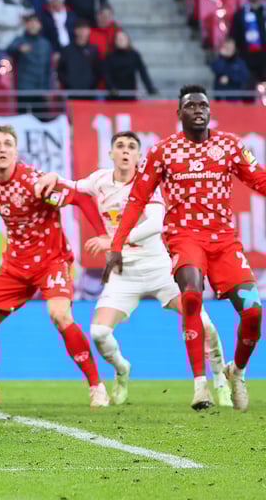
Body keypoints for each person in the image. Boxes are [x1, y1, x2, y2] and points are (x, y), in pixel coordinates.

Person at [34, 131, 231, 408]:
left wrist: (115, 240)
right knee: (99, 333)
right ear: (111, 153)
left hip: (159, 266)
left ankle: (220, 380)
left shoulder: (147, 183)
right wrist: (54, 177)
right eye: (120, 146)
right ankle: (122, 369)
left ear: (139, 156)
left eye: (131, 147)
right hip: (124, 272)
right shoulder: (100, 180)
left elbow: (156, 223)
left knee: (204, 323)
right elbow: (74, 186)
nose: (125, 151)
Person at [103, 85, 266, 412]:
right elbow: (137, 199)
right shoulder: (163, 151)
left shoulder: (230, 146)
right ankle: (200, 384)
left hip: (224, 241)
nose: (198, 110)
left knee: (253, 310)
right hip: (184, 237)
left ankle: (237, 372)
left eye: (203, 105)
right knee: (191, 295)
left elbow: (259, 180)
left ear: (209, 111)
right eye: (191, 106)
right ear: (179, 114)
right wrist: (116, 244)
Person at [0, 124, 109, 408]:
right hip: (15, 266)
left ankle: (96, 386)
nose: (2, 149)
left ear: (16, 151)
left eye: (8, 144)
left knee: (60, 316)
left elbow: (81, 198)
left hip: (51, 262)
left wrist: (102, 234)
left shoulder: (35, 183)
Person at [104, 30, 157, 98]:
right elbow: (106, 74)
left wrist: (149, 88)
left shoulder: (134, 55)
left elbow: (143, 72)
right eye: (118, 39)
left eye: (123, 39)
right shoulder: (110, 56)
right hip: (114, 95)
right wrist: (111, 87)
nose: (121, 41)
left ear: (127, 40)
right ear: (115, 41)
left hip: (130, 94)